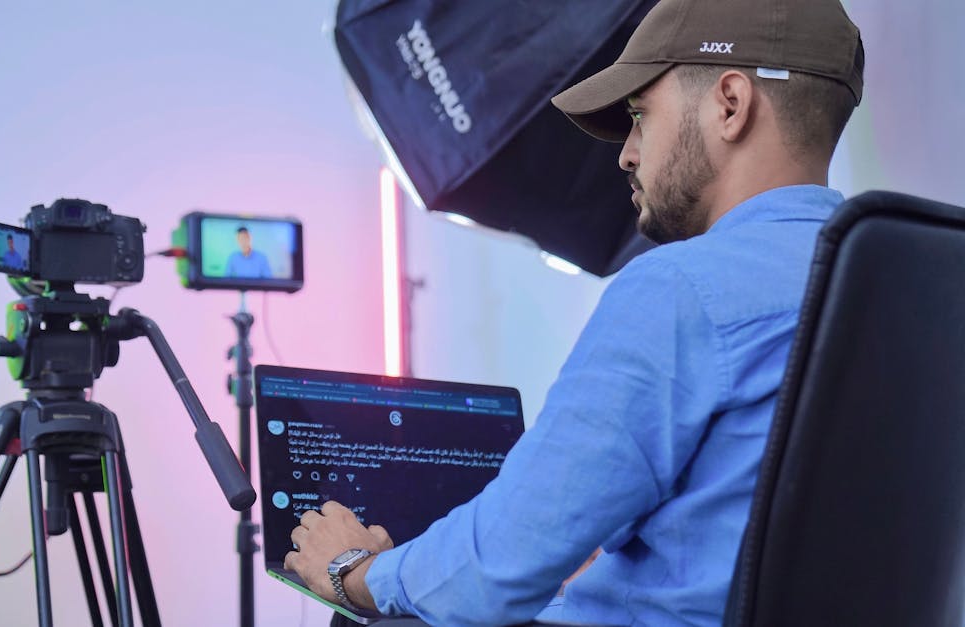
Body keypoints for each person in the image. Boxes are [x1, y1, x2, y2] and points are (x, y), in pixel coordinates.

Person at [286, 0, 865, 624]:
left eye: (642, 116)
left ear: (729, 104)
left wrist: (355, 572)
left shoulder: (685, 291)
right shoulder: (895, 287)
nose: (626, 154)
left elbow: (495, 572)